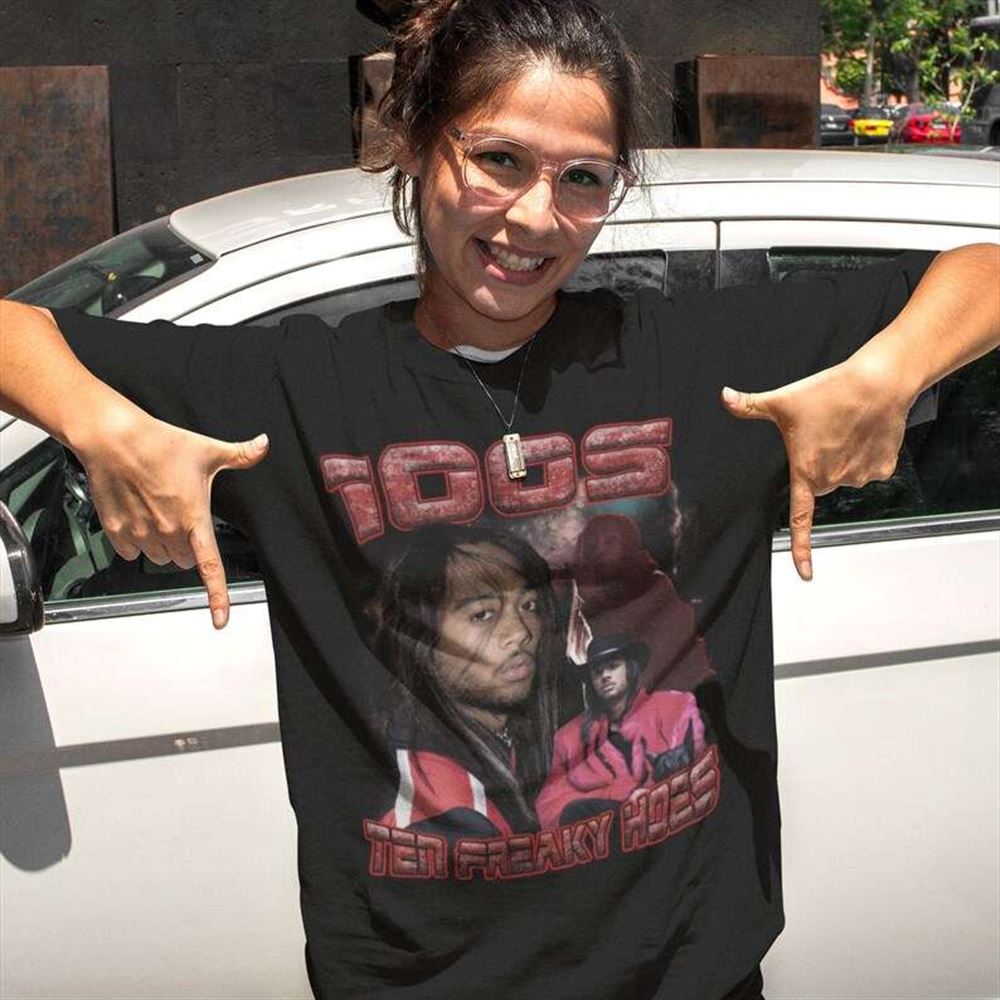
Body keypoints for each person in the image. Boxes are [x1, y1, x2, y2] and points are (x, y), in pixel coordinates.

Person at [0, 0, 997, 996]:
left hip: (688, 971)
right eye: (499, 161)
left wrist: (887, 374)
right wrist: (104, 426)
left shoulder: (699, 361)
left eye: (583, 179)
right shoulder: (299, 392)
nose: (534, 218)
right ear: (413, 142)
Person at [372, 524, 563, 838]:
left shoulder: (520, 732)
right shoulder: (441, 810)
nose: (520, 632)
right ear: (418, 637)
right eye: (482, 614)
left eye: (528, 606)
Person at [536, 633, 707, 829]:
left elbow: (697, 761)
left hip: (674, 822)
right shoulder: (568, 737)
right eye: (597, 672)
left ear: (630, 669)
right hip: (610, 833)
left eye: (613, 666)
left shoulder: (674, 705)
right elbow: (550, 805)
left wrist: (650, 793)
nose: (605, 676)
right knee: (575, 811)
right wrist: (622, 795)